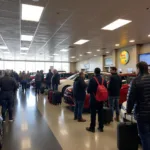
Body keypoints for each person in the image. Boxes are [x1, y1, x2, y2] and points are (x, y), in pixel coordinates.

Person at [127, 61, 150, 150]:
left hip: (142, 114)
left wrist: (129, 110)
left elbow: (130, 98)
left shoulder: (135, 81)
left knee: (145, 136)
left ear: (139, 69)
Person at [86, 68, 107, 132]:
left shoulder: (92, 80)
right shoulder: (104, 80)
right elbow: (106, 89)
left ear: (94, 72)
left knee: (93, 114)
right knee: (101, 113)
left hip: (94, 99)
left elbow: (88, 90)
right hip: (101, 99)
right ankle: (101, 127)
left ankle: (92, 128)